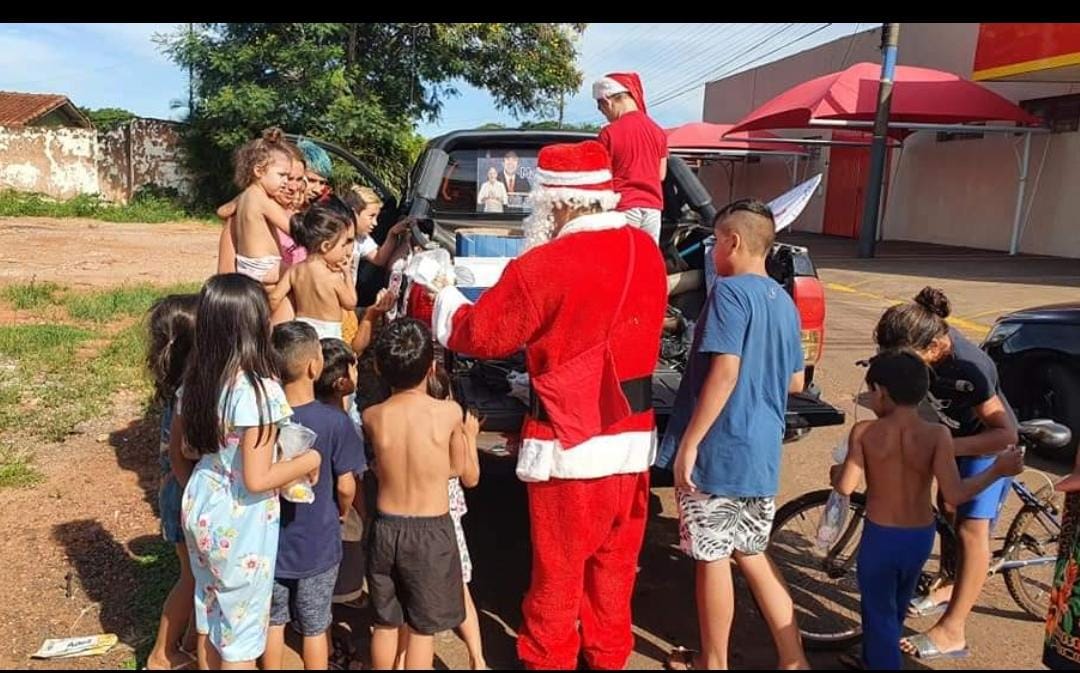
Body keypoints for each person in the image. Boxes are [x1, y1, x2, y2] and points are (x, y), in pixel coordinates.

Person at [431, 140, 667, 669]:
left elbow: (481, 334)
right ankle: (608, 659)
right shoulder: (645, 251)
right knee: (613, 574)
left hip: (569, 444)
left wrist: (444, 295)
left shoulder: (546, 264)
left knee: (556, 579)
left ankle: (548, 661)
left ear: (556, 201)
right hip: (632, 439)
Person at [655, 199, 809, 671]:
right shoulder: (783, 301)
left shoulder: (729, 293)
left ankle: (714, 662)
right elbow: (795, 381)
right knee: (752, 551)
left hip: (721, 448)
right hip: (761, 449)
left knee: (713, 556)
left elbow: (725, 372)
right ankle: (793, 659)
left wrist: (690, 444)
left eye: (716, 241)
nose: (713, 251)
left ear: (733, 241)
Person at [831, 350, 1023, 670]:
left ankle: (882, 663)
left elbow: (846, 486)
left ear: (881, 392)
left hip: (881, 538)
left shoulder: (864, 432)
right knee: (896, 606)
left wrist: (837, 473)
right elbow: (955, 494)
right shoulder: (937, 435)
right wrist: (997, 470)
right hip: (919, 538)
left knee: (878, 613)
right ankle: (874, 659)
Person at [179, 274, 322, 668]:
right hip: (240, 520)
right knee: (240, 637)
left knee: (211, 616)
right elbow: (257, 479)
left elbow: (190, 447)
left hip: (202, 502)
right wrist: (309, 460)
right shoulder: (259, 393)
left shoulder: (199, 379)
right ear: (256, 325)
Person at [875, 288, 1019, 661]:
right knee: (948, 508)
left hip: (987, 445)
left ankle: (953, 630)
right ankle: (949, 583)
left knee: (971, 530)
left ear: (936, 348)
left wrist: (941, 448)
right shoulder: (913, 346)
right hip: (952, 437)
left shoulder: (970, 368)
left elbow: (1005, 434)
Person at [362, 318, 475, 670]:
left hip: (385, 528)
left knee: (385, 623)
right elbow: (460, 470)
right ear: (432, 368)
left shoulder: (372, 416)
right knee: (423, 630)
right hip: (431, 531)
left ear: (379, 368)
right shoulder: (449, 413)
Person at [262, 322, 365, 670]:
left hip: (271, 541)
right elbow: (346, 486)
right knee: (316, 626)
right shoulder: (335, 422)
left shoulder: (265, 418)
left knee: (273, 621)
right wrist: (342, 512)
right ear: (313, 367)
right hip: (319, 541)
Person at [145, 294, 200, 671]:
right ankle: (162, 653)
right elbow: (186, 455)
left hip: (179, 492)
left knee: (198, 573)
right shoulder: (189, 396)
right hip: (185, 494)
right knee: (191, 578)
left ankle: (190, 644)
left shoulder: (178, 387)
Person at [592, 72, 668, 242]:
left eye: (602, 109)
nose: (604, 114)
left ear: (607, 101)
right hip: (653, 209)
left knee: (621, 256)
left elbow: (599, 177)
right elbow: (661, 175)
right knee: (646, 257)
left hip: (622, 207)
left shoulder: (608, 133)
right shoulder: (658, 131)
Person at [269, 199, 358, 338]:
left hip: (304, 330)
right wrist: (347, 274)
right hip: (329, 333)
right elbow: (351, 303)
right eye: (343, 245)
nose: (346, 251)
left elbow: (274, 298)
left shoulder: (294, 270)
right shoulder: (333, 277)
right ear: (326, 246)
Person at [231, 128, 295, 287]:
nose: (286, 182)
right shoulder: (263, 200)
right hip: (266, 266)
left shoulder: (245, 196)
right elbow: (293, 229)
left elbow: (222, 211)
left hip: (246, 265)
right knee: (304, 274)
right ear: (259, 171)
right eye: (282, 175)